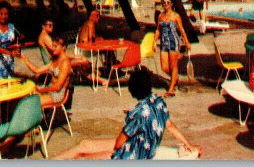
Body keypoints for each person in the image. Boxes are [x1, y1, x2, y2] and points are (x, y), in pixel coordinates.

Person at [53, 68, 202, 160]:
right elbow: (170, 126)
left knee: (82, 154)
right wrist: (189, 145)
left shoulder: (136, 114)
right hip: (142, 149)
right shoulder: (158, 101)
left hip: (130, 155)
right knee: (84, 145)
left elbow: (119, 144)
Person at [154, 0, 191, 97]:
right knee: (164, 67)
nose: (166, 4)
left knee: (173, 66)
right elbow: (158, 30)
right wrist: (154, 42)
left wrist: (187, 42)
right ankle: (175, 78)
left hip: (174, 42)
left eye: (168, 2)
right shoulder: (160, 16)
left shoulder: (176, 16)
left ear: (171, 4)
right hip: (163, 42)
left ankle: (171, 88)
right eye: (164, 2)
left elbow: (182, 29)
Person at [20, 36, 72, 108]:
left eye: (55, 46)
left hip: (57, 95)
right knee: (26, 98)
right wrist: (24, 59)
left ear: (64, 47)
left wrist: (42, 90)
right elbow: (37, 70)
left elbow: (58, 87)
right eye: (52, 46)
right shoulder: (55, 60)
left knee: (31, 104)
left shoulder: (65, 63)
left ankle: (38, 118)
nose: (52, 48)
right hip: (49, 90)